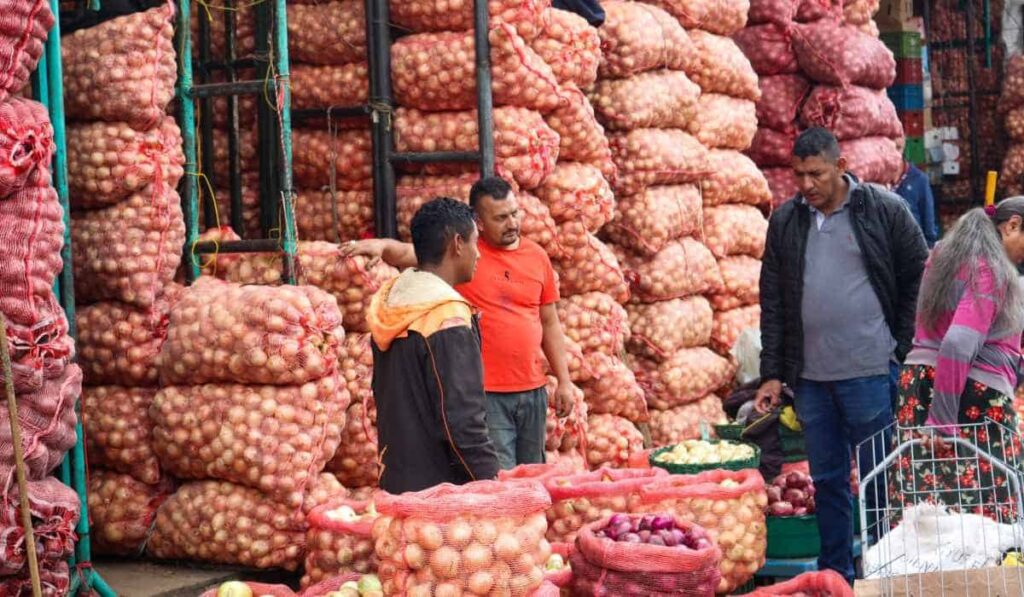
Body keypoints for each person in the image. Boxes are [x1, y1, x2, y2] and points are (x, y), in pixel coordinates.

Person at [755, 127, 929, 584]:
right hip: (811, 379)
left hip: (870, 372)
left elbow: (919, 274)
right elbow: (771, 299)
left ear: (840, 166)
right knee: (829, 480)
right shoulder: (786, 222)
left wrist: (902, 346)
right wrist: (771, 373)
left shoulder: (883, 210)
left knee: (878, 479)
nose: (806, 184)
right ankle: (836, 576)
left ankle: (886, 571)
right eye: (799, 175)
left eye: (815, 173)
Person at [345, 176, 577, 471]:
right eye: (501, 217)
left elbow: (550, 322)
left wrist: (564, 381)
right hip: (487, 394)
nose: (511, 223)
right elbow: (407, 253)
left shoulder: (537, 256)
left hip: (532, 390)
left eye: (514, 214)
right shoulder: (464, 256)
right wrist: (378, 245)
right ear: (478, 222)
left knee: (534, 476)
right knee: (500, 479)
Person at [893, 197, 1024, 520]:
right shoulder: (991, 268)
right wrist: (943, 423)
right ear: (1012, 226)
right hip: (968, 399)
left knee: (923, 514)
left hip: (919, 385)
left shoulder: (942, 255)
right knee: (988, 518)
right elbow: (957, 344)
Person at [366, 198, 499, 493]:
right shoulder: (445, 316)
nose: (478, 254)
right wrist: (491, 483)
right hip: (441, 494)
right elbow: (462, 422)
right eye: (475, 242)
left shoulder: (395, 301)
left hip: (399, 478)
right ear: (457, 244)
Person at [892, 160, 940, 248]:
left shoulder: (919, 178)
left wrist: (929, 245)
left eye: (898, 148)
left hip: (912, 246)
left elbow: (928, 215)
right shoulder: (874, 178)